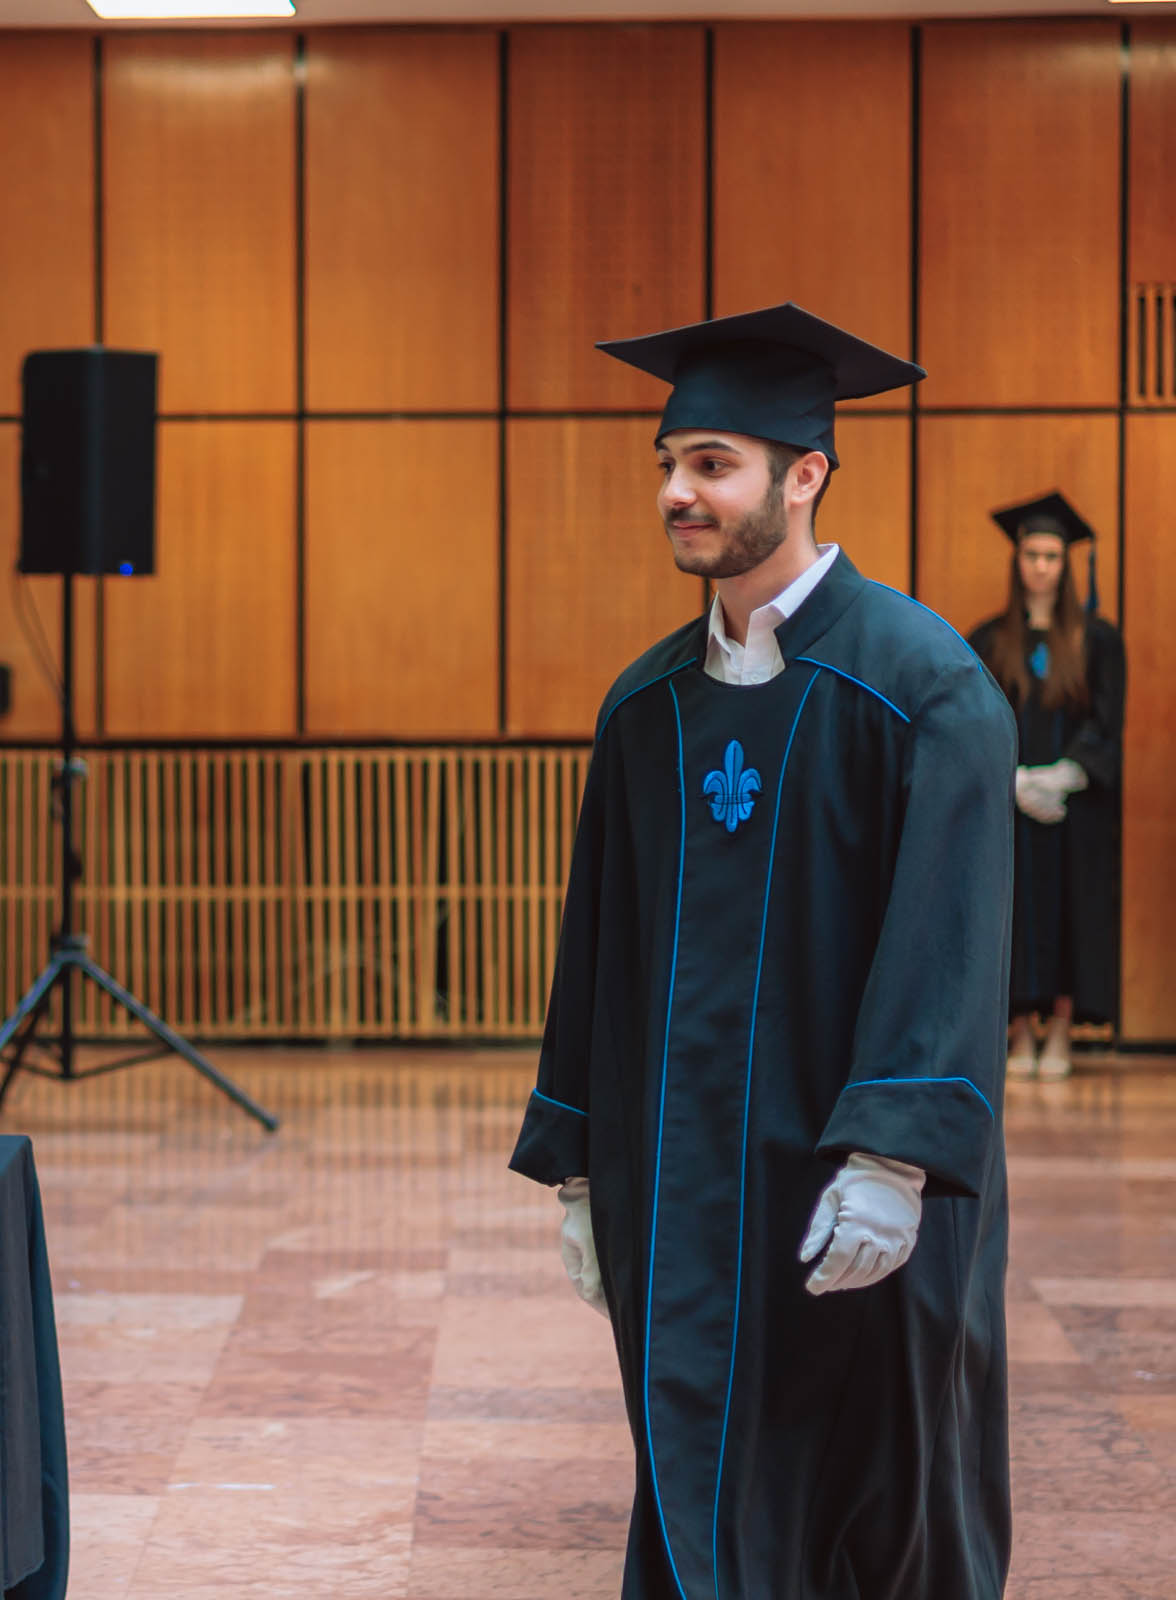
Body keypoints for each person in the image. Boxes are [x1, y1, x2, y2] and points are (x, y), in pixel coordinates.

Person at [511, 303, 1015, 1599]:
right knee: (701, 1491)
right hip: (683, 1201)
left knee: (879, 1511)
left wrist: (894, 1155)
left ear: (804, 475)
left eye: (713, 464)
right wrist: (580, 1171)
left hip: (857, 1200)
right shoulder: (646, 708)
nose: (677, 492)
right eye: (669, 463)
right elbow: (599, 956)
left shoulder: (924, 688)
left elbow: (949, 945)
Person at [966, 492, 1124, 1080]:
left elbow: (1107, 721)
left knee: (1070, 910)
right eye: (1032, 555)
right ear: (1018, 561)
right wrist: (1010, 781)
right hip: (1009, 806)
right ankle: (1019, 1031)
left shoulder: (1098, 641)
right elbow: (972, 722)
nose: (1041, 566)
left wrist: (1065, 775)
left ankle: (1060, 1029)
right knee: (1012, 909)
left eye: (1052, 556)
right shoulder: (988, 640)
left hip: (1073, 810)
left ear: (1065, 563)